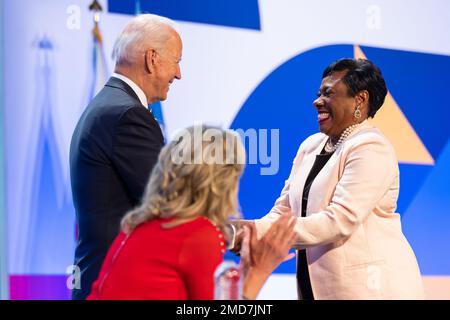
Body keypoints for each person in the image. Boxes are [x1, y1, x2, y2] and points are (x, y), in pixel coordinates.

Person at [239, 58, 425, 299]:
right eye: (319, 93)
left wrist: (254, 232)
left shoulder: (371, 147)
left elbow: (339, 220)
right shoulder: (310, 146)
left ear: (360, 99)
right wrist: (250, 232)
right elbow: (283, 212)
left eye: (328, 93)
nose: (317, 102)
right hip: (315, 289)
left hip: (372, 290)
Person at [87, 126, 296, 300]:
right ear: (221, 183)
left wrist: (245, 274)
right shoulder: (199, 235)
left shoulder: (140, 225)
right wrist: (259, 271)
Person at [69, 14, 182, 300]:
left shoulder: (107, 106)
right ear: (152, 59)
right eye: (177, 61)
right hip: (118, 287)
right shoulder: (128, 115)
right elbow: (168, 205)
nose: (179, 74)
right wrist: (231, 234)